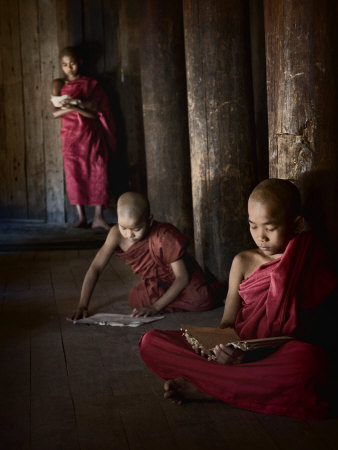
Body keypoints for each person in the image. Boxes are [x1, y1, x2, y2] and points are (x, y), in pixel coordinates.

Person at [138, 178, 337, 420]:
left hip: (276, 356)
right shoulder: (242, 261)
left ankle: (210, 389)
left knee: (309, 364)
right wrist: (219, 347)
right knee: (151, 342)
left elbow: (313, 332)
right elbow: (227, 323)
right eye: (253, 226)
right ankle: (233, 385)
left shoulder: (308, 260)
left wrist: (251, 355)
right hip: (236, 351)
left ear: (296, 224)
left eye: (270, 228)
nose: (260, 236)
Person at [70, 192, 222, 320]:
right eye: (124, 227)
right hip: (157, 284)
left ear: (149, 221)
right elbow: (96, 267)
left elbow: (182, 277)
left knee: (202, 300)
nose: (129, 235)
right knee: (136, 299)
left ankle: (216, 287)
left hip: (183, 280)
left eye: (136, 228)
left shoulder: (163, 236)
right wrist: (82, 305)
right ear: (117, 220)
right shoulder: (116, 234)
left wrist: (155, 307)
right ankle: (167, 301)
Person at [51, 46, 116, 230]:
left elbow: (95, 114)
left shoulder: (92, 84)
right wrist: (75, 107)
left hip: (91, 135)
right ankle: (81, 217)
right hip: (71, 136)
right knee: (74, 174)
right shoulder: (59, 84)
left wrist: (76, 107)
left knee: (99, 171)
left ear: (80, 62)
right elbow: (55, 113)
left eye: (72, 63)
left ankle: (98, 217)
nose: (69, 68)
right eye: (64, 65)